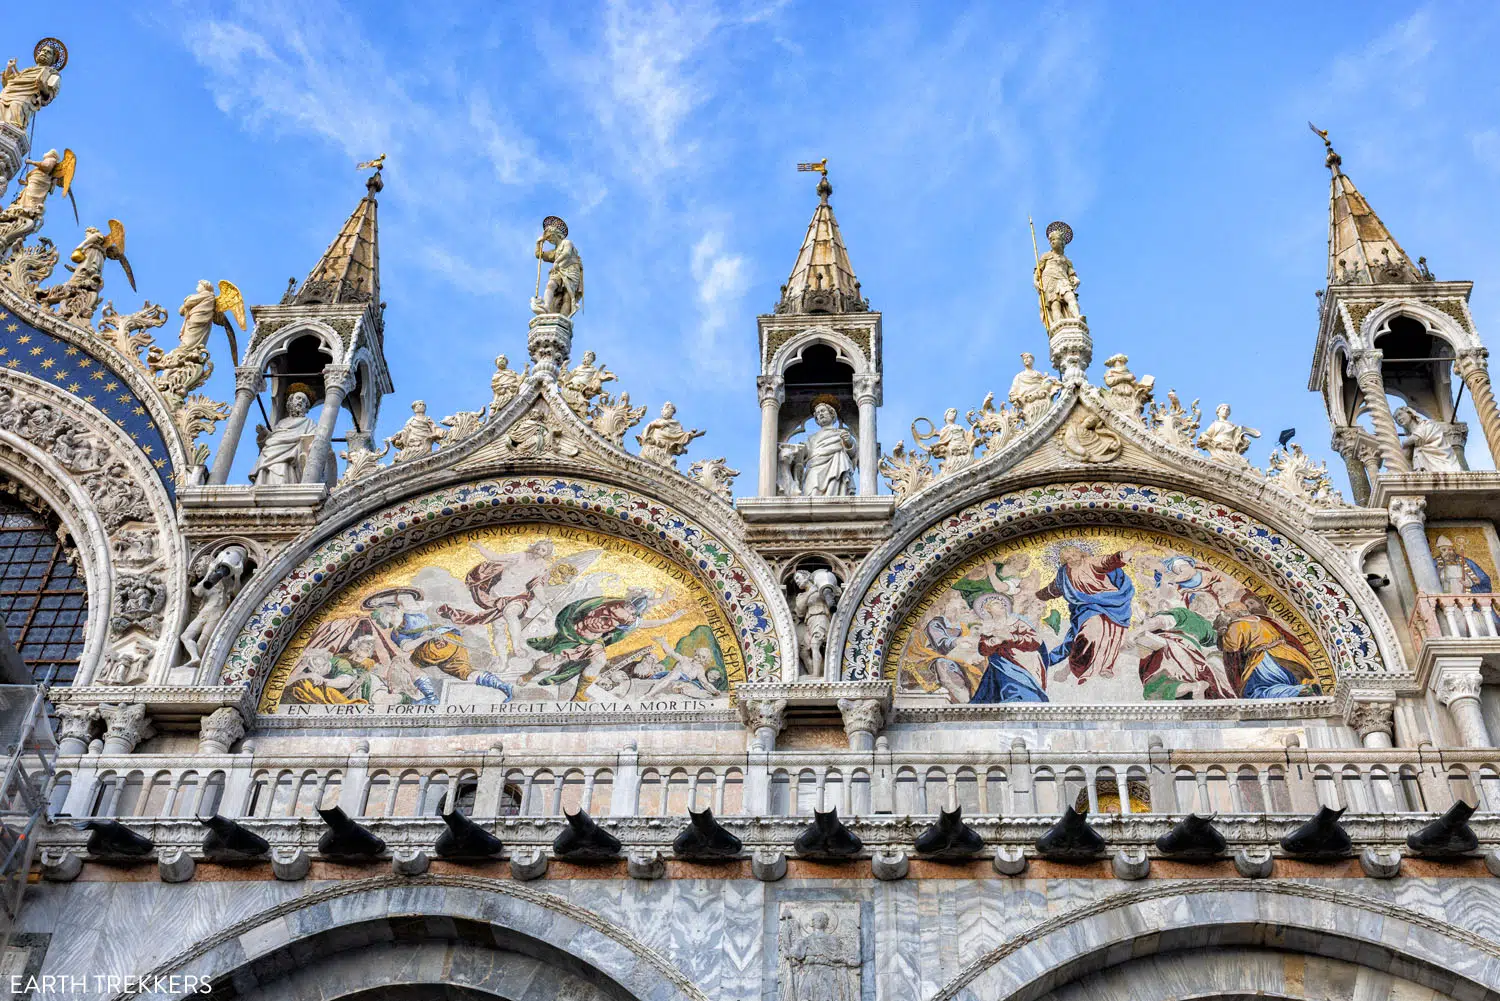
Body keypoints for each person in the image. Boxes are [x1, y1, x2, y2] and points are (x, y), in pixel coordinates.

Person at [1036, 543, 1138, 683]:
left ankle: (1106, 665)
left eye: (1073, 554)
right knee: (1089, 632)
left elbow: (1109, 561)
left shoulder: (1090, 562)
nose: (1072, 558)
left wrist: (1133, 549)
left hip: (1111, 602)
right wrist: (1036, 596)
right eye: (1068, 558)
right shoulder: (1064, 573)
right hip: (1087, 607)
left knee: (1112, 633)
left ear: (1080, 553)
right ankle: (1078, 666)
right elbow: (1054, 589)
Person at [1217, 595, 1321, 699]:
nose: (1222, 610)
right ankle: (1307, 688)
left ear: (1236, 612)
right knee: (1292, 679)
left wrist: (1221, 629)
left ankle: (1301, 690)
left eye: (1227, 608)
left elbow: (1231, 646)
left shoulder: (1237, 624)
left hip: (1266, 661)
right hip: (1287, 656)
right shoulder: (1262, 620)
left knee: (1256, 692)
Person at [969, 593, 1047, 703]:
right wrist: (996, 641)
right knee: (1000, 678)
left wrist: (1012, 638)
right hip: (1002, 662)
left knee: (1019, 685)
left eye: (1002, 602)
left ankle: (1021, 697)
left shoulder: (1016, 623)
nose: (1002, 604)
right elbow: (983, 649)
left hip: (1023, 660)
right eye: (996, 603)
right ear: (989, 610)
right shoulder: (988, 629)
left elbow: (1035, 640)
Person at [249, 392, 322, 486]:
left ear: (306, 407)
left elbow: (313, 438)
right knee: (269, 454)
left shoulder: (309, 423)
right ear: (291, 402)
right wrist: (264, 434)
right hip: (272, 451)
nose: (300, 402)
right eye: (298, 398)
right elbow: (274, 437)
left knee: (281, 470)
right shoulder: (282, 422)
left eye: (304, 401)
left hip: (290, 456)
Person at [795, 401, 856, 496]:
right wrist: (801, 450)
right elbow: (805, 456)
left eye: (823, 411)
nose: (820, 414)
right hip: (814, 466)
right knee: (812, 491)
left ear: (832, 414)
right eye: (818, 413)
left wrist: (849, 442)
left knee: (834, 489)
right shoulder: (812, 438)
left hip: (834, 466)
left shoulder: (840, 433)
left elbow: (852, 453)